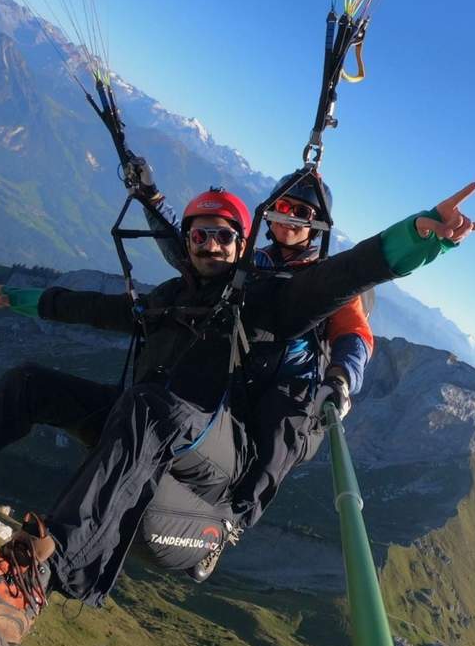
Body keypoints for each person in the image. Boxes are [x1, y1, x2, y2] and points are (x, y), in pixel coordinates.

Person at [0, 181, 475, 646]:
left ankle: (27, 585)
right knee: (29, 385)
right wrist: (26, 301)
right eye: (200, 232)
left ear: (245, 245)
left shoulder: (273, 299)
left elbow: (345, 275)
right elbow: (108, 312)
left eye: (225, 235)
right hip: (164, 430)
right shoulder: (180, 297)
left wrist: (422, 237)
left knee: (150, 405)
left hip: (217, 470)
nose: (210, 242)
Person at [132, 167, 372, 583]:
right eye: (282, 207)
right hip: (243, 366)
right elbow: (188, 246)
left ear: (315, 226)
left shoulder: (326, 281)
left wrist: (342, 379)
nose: (289, 218)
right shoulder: (251, 261)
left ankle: (230, 526)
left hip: (291, 384)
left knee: (283, 431)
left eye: (300, 211)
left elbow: (354, 332)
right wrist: (153, 200)